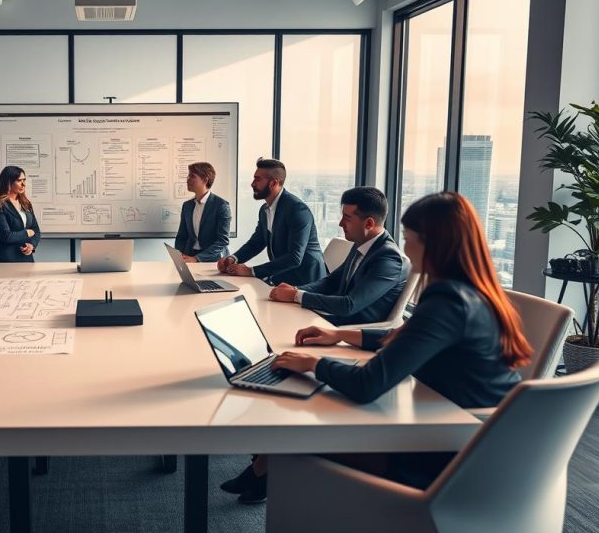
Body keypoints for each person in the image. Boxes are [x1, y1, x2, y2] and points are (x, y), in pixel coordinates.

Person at [222, 192, 531, 503]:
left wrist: (312, 365)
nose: (406, 248)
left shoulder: (446, 301)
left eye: (409, 237)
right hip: (479, 437)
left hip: (452, 455)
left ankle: (274, 484)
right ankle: (263, 472)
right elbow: (410, 336)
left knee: (298, 434)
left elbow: (367, 384)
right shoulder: (470, 291)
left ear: (433, 244)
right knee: (310, 422)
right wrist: (344, 336)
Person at [269, 186, 408, 326]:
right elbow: (331, 281)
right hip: (333, 316)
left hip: (350, 328)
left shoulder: (389, 259)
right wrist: (296, 290)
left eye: (347, 218)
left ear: (369, 223)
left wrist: (296, 296)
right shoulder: (361, 243)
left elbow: (349, 305)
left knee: (277, 320)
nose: (341, 223)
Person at [217, 158, 325, 286]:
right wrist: (233, 259)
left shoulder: (297, 210)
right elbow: (256, 243)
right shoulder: (265, 209)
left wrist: (252, 271)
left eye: (258, 179)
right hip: (283, 278)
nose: (252, 184)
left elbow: (294, 258)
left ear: (273, 183)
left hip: (306, 281)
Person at [173, 162, 231, 263]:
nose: (187, 179)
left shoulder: (222, 206)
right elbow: (182, 235)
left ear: (205, 180)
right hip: (189, 257)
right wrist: (180, 255)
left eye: (192, 176)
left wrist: (197, 259)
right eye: (188, 176)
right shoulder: (187, 206)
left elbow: (222, 241)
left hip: (214, 261)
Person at [0, 166, 42, 263]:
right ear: (8, 182)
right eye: (19, 180)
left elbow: (36, 231)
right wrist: (27, 233)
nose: (23, 184)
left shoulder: (26, 203)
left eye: (24, 180)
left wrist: (31, 246)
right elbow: (6, 236)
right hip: (6, 258)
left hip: (26, 258)